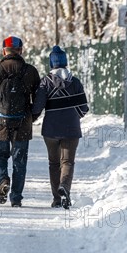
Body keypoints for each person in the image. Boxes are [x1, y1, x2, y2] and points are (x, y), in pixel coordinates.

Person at [0, 36, 40, 207]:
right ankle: (16, 198)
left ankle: (2, 182)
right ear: (21, 51)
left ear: (3, 51)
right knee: (19, 160)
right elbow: (38, 100)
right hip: (22, 123)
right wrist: (31, 116)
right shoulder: (30, 71)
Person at [32, 46, 89, 209]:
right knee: (68, 162)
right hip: (71, 129)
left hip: (50, 130)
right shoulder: (75, 82)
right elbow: (84, 108)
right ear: (65, 62)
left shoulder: (45, 82)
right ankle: (64, 186)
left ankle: (57, 199)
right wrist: (73, 116)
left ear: (51, 63)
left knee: (53, 163)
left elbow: (37, 108)